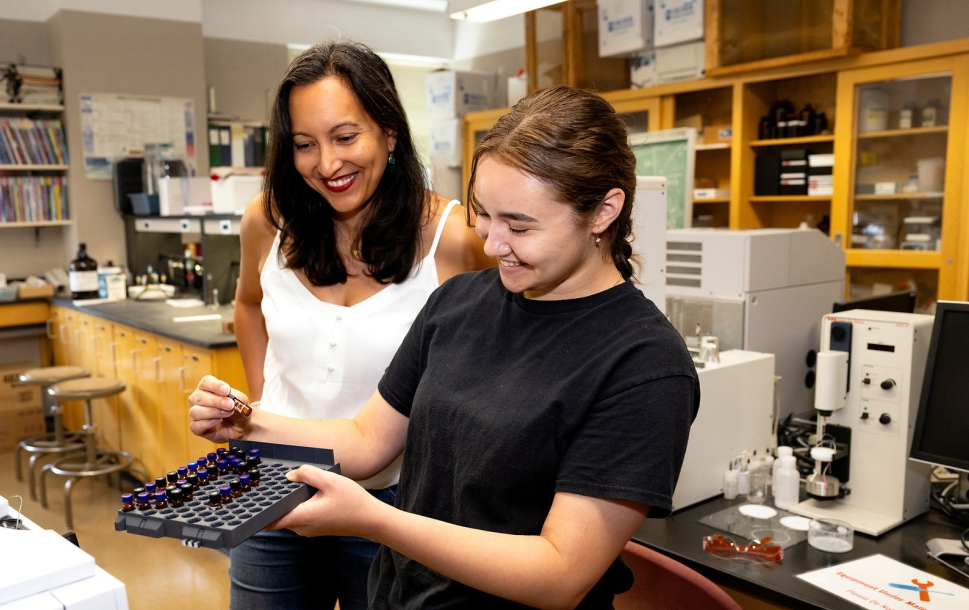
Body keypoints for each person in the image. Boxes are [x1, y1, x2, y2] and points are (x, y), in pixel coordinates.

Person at [191, 85, 699, 610]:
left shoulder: (645, 365)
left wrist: (374, 520)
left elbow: (560, 573)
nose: (491, 242)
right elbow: (366, 440)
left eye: (519, 225)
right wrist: (249, 422)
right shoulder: (459, 302)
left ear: (603, 211)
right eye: (484, 213)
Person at [226, 41, 488, 610]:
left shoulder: (456, 238)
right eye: (304, 144)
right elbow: (247, 307)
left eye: (346, 137)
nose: (326, 164)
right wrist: (261, 401)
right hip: (273, 487)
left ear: (389, 132)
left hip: (394, 500)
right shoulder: (266, 221)